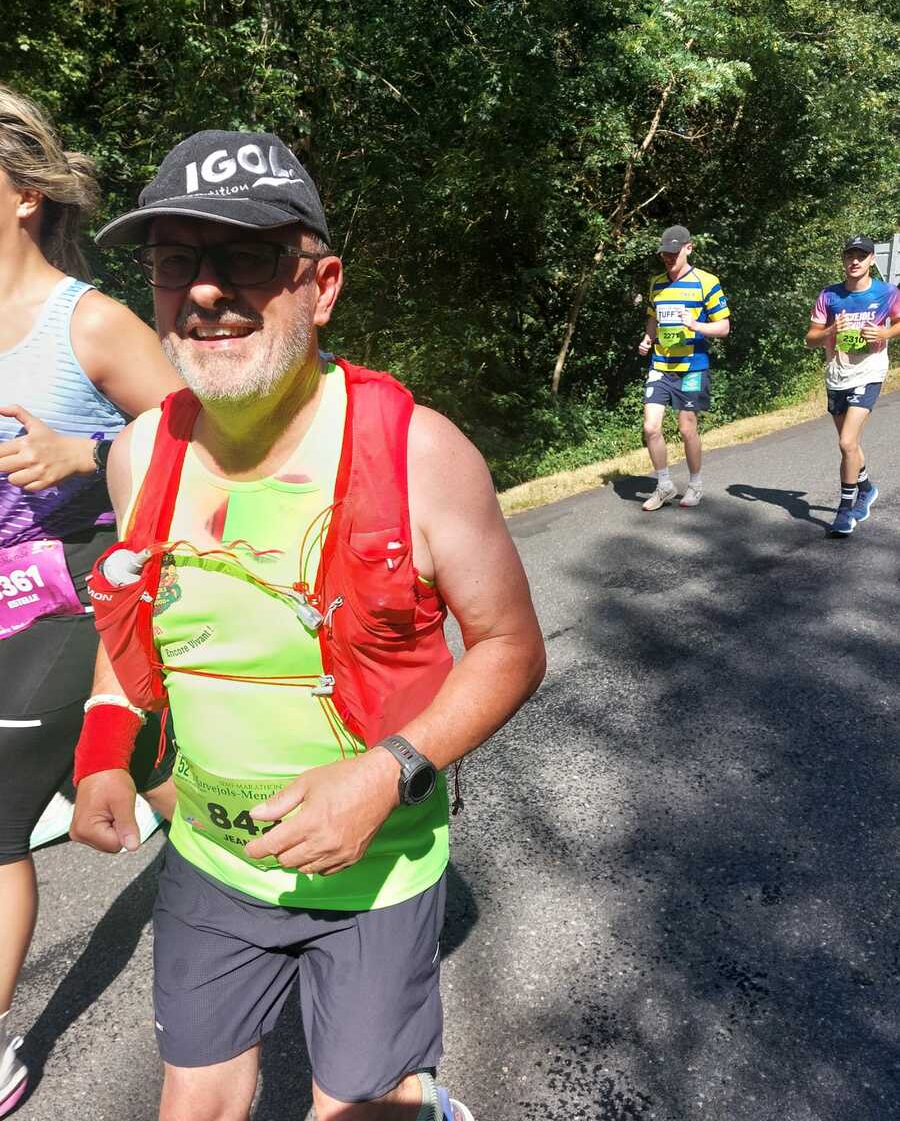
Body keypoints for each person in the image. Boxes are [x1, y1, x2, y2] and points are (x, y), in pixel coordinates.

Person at [70, 129, 546, 1121]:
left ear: (321, 286)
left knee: (360, 1108)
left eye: (246, 258)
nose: (205, 291)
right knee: (191, 1105)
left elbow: (510, 649)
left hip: (379, 870)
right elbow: (134, 630)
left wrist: (385, 774)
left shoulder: (421, 454)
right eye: (175, 263)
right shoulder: (138, 454)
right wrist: (105, 749)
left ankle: (413, 1092)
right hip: (210, 862)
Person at [0, 84, 182, 1118]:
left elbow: (197, 441)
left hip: (73, 593)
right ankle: (231, 842)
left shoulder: (93, 323)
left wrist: (88, 450)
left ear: (25, 194)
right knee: (159, 769)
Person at [805, 236, 900, 535]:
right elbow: (810, 339)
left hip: (869, 371)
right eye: (850, 256)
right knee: (851, 446)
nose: (855, 261)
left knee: (846, 442)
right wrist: (831, 330)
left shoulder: (887, 293)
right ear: (844, 260)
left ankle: (845, 511)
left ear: (872, 259)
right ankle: (867, 488)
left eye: (861, 256)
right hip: (837, 373)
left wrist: (884, 334)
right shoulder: (829, 295)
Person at [637, 225, 731, 510]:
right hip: (661, 365)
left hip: (692, 367)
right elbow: (653, 317)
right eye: (664, 253)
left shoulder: (706, 282)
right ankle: (665, 485)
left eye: (674, 253)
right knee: (650, 427)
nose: (668, 258)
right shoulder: (656, 284)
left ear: (689, 248)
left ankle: (695, 485)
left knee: (687, 428)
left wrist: (695, 325)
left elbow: (724, 327)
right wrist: (648, 338)